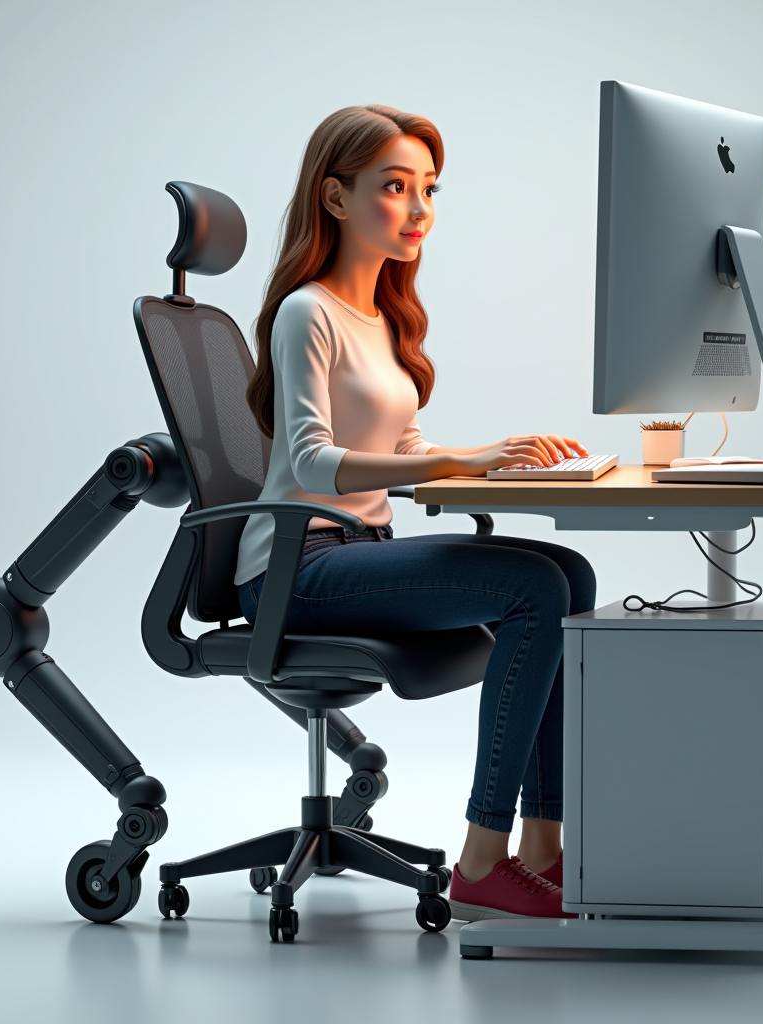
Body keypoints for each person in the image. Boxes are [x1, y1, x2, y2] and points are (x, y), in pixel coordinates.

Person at [237, 104, 596, 921]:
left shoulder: (387, 321)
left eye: (428, 189)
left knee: (570, 574)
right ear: (334, 198)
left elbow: (409, 453)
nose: (419, 208)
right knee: (533, 591)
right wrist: (453, 463)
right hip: (300, 568)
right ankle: (481, 859)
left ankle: (543, 849)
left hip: (360, 549)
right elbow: (310, 460)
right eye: (394, 188)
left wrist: (506, 468)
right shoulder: (308, 312)